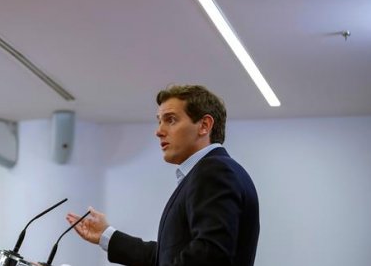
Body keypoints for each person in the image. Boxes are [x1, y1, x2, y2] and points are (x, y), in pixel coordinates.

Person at [66, 85, 259, 266]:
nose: (159, 131)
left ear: (204, 125)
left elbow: (209, 255)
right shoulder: (211, 171)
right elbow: (166, 257)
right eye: (159, 121)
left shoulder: (214, 171)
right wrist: (105, 235)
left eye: (171, 120)